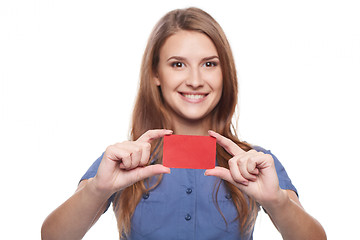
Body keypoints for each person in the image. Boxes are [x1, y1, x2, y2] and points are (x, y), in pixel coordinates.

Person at [41, 7, 326, 240]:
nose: (195, 80)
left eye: (209, 64)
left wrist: (275, 201)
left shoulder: (255, 163)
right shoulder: (124, 160)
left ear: (225, 73)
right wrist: (98, 190)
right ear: (156, 74)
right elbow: (52, 236)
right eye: (178, 64)